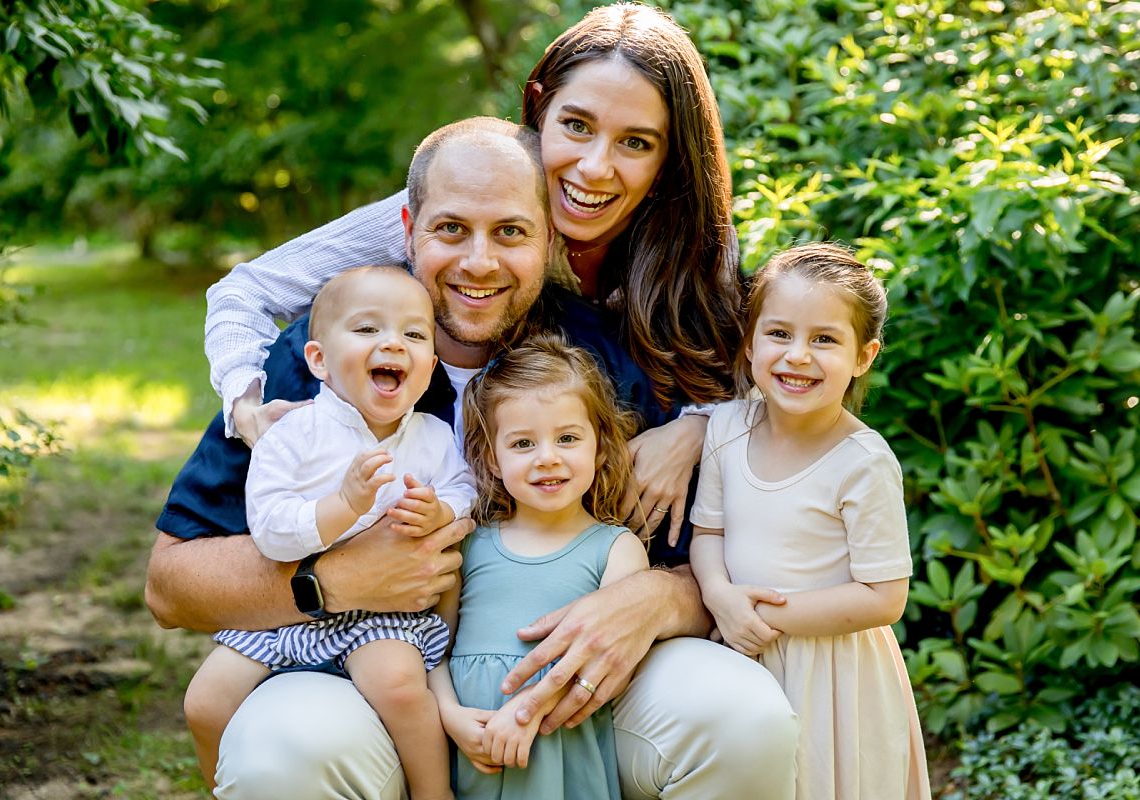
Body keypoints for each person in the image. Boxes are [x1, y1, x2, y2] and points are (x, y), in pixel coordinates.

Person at [148, 116, 799, 800]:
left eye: (511, 232)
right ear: (408, 228)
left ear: (551, 238)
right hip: (365, 680)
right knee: (283, 750)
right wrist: (330, 581)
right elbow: (170, 585)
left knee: (740, 716)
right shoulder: (326, 363)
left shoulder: (603, 360)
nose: (479, 262)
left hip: (569, 692)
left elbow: (717, 559)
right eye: (451, 229)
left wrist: (657, 599)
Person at [205, 3, 742, 547]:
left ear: (667, 160)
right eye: (576, 125)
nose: (595, 167)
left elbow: (756, 365)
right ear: (538, 108)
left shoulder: (694, 237)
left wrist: (695, 429)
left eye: (635, 142)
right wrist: (246, 405)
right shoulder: (460, 205)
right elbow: (246, 289)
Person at [183, 267, 473, 798]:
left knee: (400, 687)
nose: (393, 343)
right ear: (318, 359)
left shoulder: (432, 437)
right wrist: (343, 506)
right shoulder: (290, 433)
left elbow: (463, 489)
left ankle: (435, 793)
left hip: (383, 612)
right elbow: (269, 530)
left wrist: (441, 512)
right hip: (285, 611)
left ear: (430, 367)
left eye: (413, 334)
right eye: (368, 329)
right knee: (205, 700)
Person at [689, 242, 931, 800]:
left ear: (864, 357)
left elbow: (883, 597)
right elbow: (709, 533)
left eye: (824, 339)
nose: (798, 355)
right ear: (749, 343)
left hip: (834, 675)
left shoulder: (863, 463)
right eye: (779, 334)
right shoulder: (727, 427)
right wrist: (722, 596)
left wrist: (765, 617)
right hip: (740, 650)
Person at [430, 334, 649, 799]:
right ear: (493, 457)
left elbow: (613, 665)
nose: (547, 457)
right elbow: (434, 650)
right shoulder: (469, 544)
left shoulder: (616, 549)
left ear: (601, 447)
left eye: (567, 438)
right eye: (523, 443)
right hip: (474, 754)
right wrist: (449, 715)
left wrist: (527, 711)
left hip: (559, 753)